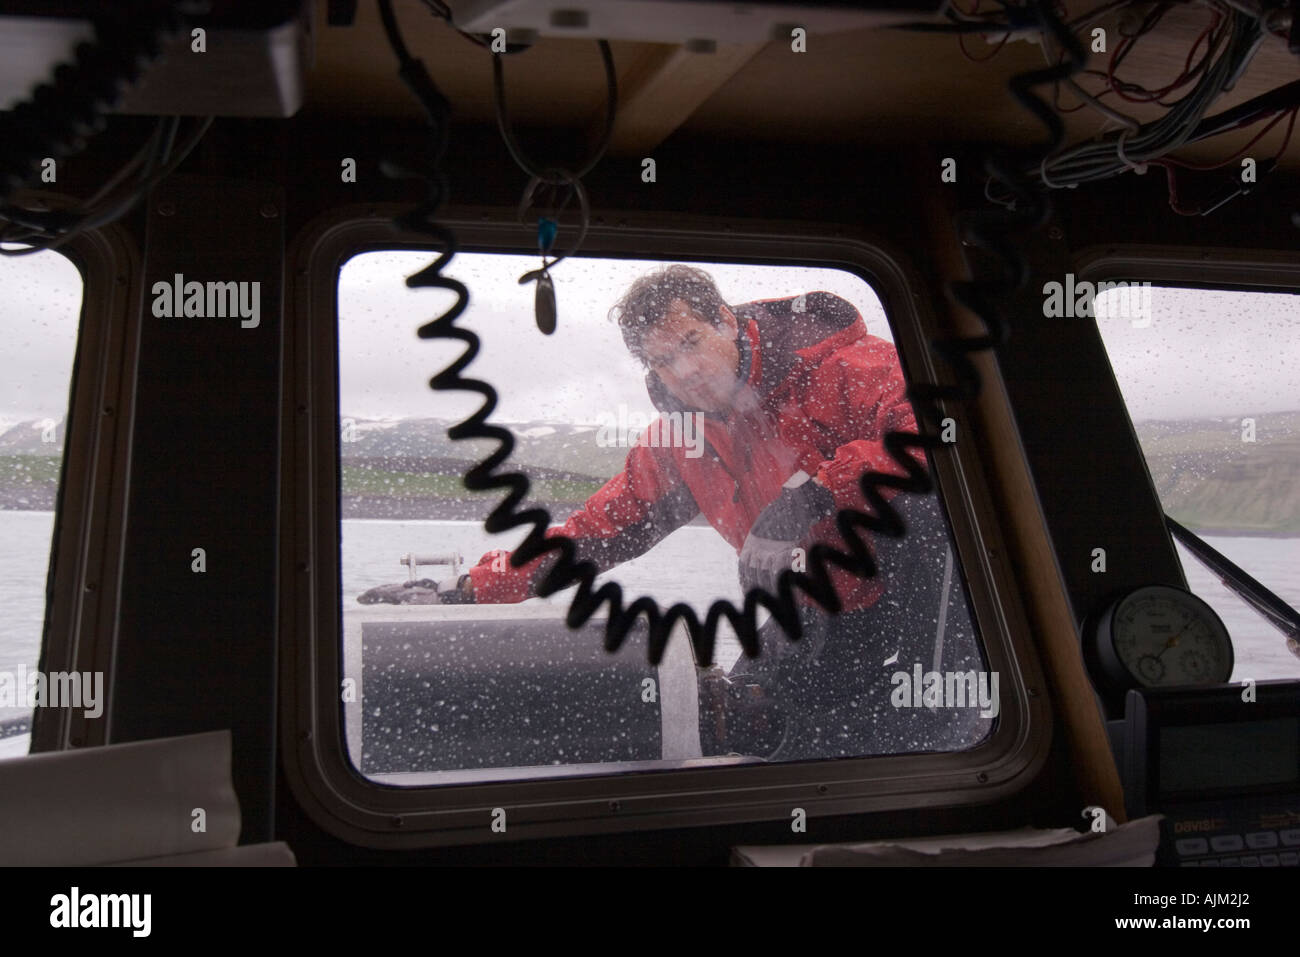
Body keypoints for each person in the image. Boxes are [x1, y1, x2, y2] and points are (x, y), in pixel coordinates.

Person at [359, 264, 989, 760]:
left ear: (726, 321)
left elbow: (936, 431)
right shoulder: (679, 444)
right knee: (746, 731)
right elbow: (590, 536)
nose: (685, 370)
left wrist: (815, 493)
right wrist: (472, 589)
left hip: (920, 605)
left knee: (895, 750)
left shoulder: (849, 366)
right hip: (806, 610)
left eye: (692, 342)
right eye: (663, 359)